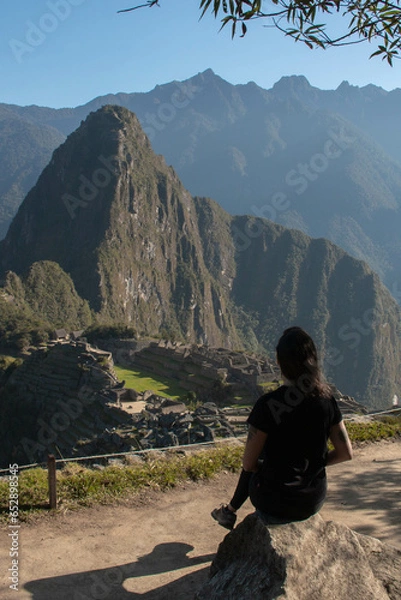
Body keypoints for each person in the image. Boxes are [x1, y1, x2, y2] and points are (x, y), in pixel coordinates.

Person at [211, 326, 353, 530]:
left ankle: (229, 512)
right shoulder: (327, 401)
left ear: (278, 362)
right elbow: (346, 453)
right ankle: (228, 512)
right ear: (313, 361)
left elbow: (249, 464)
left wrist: (274, 468)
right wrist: (313, 465)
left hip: (273, 501)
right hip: (312, 500)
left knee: (257, 461)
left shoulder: (267, 405)